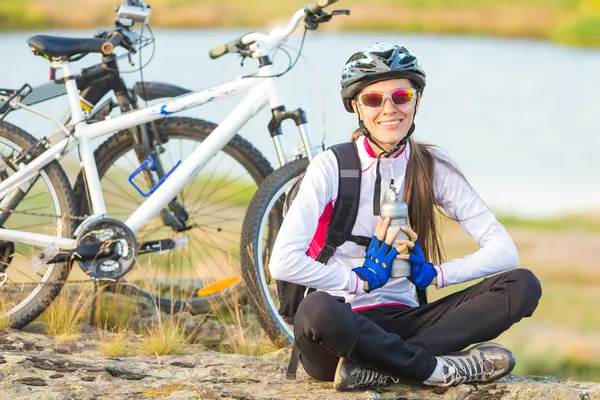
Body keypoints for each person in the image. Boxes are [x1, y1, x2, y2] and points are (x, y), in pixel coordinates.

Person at [269, 42, 542, 391]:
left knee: (522, 285)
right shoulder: (331, 167)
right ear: (356, 106)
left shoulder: (433, 168)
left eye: (401, 95)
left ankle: (378, 369)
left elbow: (504, 250)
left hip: (411, 321)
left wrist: (435, 274)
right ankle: (436, 370)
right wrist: (359, 280)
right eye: (373, 100)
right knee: (316, 308)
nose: (389, 109)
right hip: (341, 326)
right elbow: (282, 263)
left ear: (416, 101)